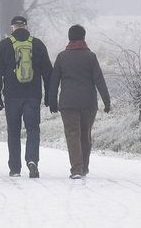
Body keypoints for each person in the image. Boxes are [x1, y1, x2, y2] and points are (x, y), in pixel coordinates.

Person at [0, 15, 53, 178]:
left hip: (12, 96)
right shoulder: (37, 44)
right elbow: (48, 73)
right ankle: (32, 161)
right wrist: (49, 96)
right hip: (33, 95)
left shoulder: (4, 45)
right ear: (25, 27)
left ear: (12, 28)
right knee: (33, 129)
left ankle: (15, 168)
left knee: (13, 131)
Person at [47, 24, 111, 179]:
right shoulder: (90, 57)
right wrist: (106, 101)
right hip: (88, 103)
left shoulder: (62, 57)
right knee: (85, 135)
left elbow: (54, 81)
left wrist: (52, 101)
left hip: (68, 104)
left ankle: (76, 169)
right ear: (83, 37)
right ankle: (84, 167)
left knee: (72, 135)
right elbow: (99, 80)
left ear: (69, 38)